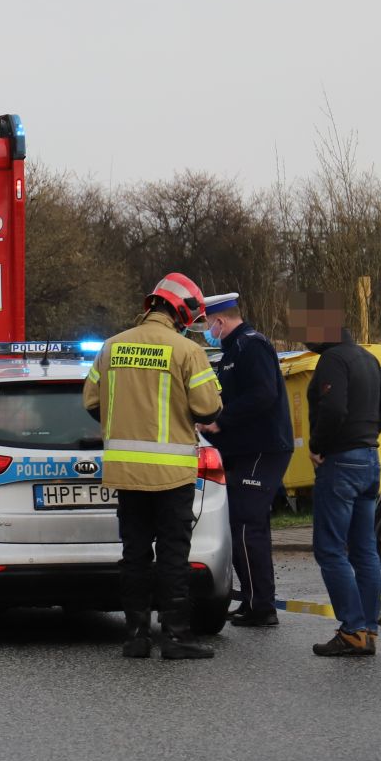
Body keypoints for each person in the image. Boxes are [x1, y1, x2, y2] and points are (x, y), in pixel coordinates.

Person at [83, 273, 222, 659]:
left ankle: (136, 637)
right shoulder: (186, 351)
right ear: (180, 309)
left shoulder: (112, 347)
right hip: (173, 475)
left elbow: (91, 401)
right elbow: (208, 407)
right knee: (173, 555)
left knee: (135, 554)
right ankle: (176, 637)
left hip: (126, 473)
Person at [292, 290, 381, 656]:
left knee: (329, 549)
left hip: (340, 464)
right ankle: (367, 630)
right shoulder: (367, 359)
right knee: (364, 550)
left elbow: (334, 409)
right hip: (370, 460)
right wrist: (368, 432)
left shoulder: (333, 360)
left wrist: (320, 446)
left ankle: (352, 629)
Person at [193, 293, 293, 627]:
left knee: (246, 524)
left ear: (219, 321)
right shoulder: (232, 350)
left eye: (207, 323)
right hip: (243, 448)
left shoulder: (252, 345)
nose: (207, 329)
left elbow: (264, 394)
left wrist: (222, 420)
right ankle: (254, 601)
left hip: (262, 448)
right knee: (243, 523)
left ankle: (261, 607)